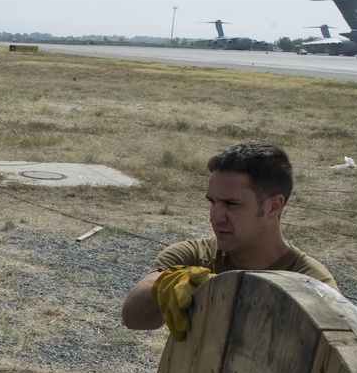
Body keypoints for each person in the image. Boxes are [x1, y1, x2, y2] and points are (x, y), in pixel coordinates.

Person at [122, 141, 338, 340]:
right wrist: (166, 286)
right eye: (212, 202)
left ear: (274, 206)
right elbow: (133, 318)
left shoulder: (311, 281)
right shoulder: (192, 257)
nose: (215, 217)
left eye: (231, 204)